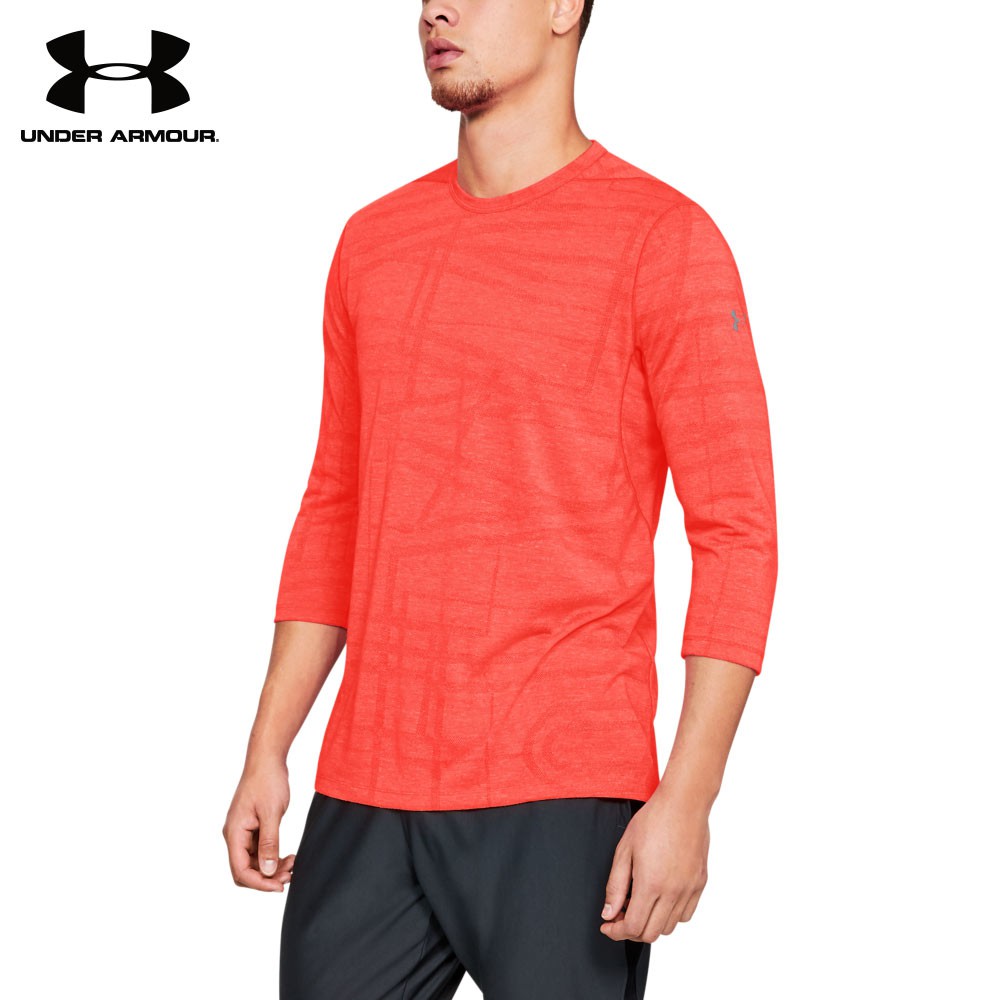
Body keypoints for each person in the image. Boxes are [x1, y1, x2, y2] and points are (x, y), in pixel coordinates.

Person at [223, 2, 778, 997]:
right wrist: (269, 746)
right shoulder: (373, 243)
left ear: (565, 8)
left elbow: (737, 531)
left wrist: (688, 796)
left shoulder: (663, 239)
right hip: (367, 782)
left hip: (563, 786)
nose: (435, 10)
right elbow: (336, 505)